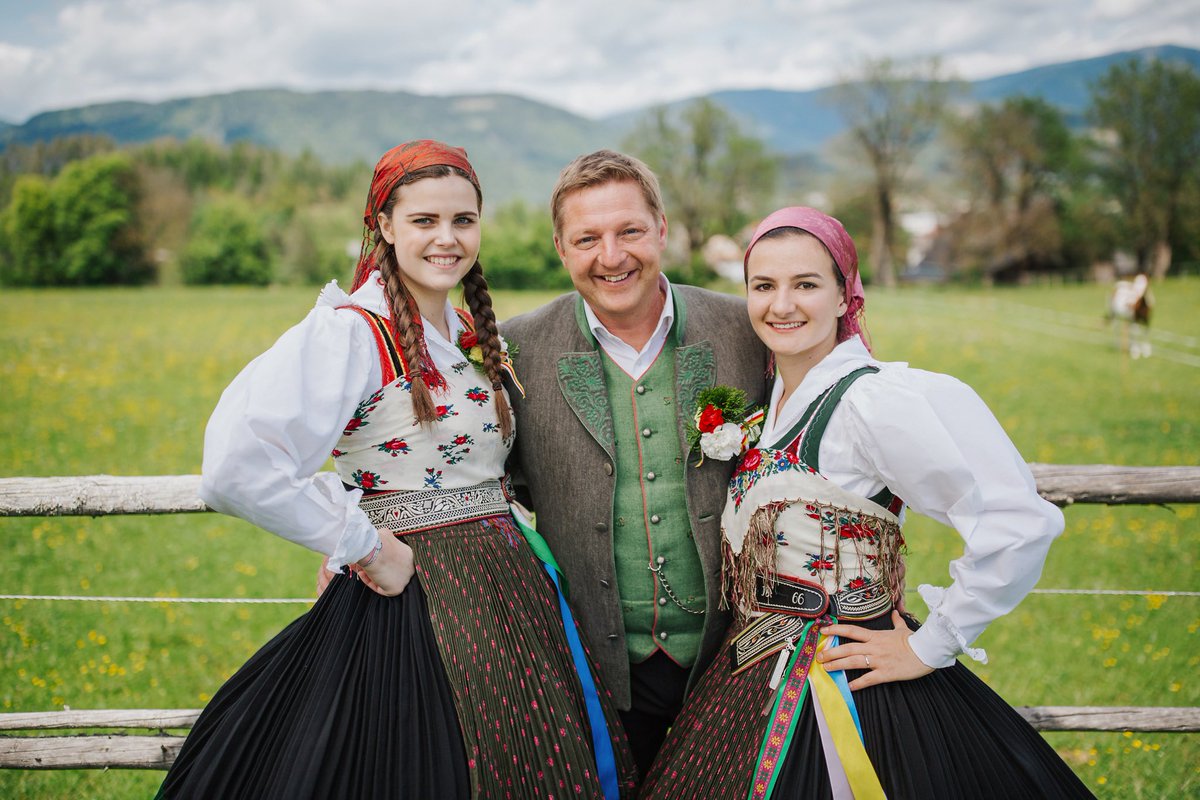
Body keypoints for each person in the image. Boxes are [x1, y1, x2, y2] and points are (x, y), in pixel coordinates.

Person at [158, 140, 637, 799]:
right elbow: (238, 465)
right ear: (383, 226)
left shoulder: (469, 332)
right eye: (424, 221)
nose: (447, 238)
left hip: (509, 593)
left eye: (462, 221)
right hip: (411, 595)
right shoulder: (353, 332)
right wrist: (357, 541)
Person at [639, 207, 1094, 798]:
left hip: (845, 680)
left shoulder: (872, 402)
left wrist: (932, 645)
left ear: (843, 297)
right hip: (751, 670)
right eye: (764, 286)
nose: (782, 305)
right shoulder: (773, 398)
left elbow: (1015, 520)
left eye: (805, 285)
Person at [499, 150, 769, 775]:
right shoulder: (513, 351)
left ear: (663, 230)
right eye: (587, 238)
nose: (612, 256)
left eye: (630, 231)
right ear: (561, 249)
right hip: (594, 669)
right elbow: (465, 475)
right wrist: (363, 534)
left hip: (739, 657)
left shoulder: (747, 329)